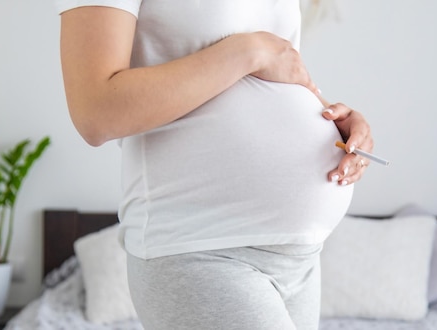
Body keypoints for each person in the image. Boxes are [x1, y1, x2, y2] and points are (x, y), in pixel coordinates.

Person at [56, 1, 374, 329]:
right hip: (199, 245)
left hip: (300, 256)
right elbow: (95, 111)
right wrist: (245, 50)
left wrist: (335, 122)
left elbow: (277, 73)